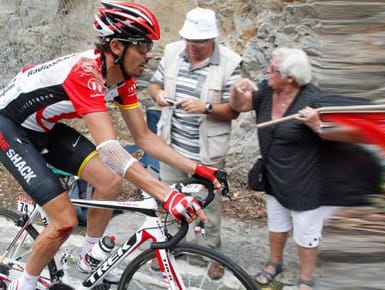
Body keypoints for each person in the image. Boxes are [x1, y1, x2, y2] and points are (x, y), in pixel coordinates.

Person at [0, 2, 222, 290]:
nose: (149, 53)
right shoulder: (85, 73)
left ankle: (89, 257)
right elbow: (110, 149)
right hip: (9, 126)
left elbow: (144, 137)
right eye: (143, 45)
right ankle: (24, 284)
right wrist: (167, 194)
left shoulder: (122, 79)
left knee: (110, 179)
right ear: (117, 46)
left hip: (43, 128)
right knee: (64, 221)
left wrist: (198, 168)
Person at [230, 48, 337, 290]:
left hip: (305, 179)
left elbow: (340, 138)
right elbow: (240, 106)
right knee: (277, 224)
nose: (267, 72)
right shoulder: (268, 90)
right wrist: (236, 91)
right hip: (273, 174)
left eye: (273, 70)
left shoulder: (315, 100)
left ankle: (306, 278)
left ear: (289, 77)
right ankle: (274, 263)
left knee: (306, 232)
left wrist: (317, 125)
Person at [149, 7, 242, 280]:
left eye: (199, 42)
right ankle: (171, 247)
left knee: (208, 205)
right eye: (190, 40)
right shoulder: (172, 52)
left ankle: (210, 253)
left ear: (212, 39)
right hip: (172, 146)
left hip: (206, 152)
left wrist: (206, 107)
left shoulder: (230, 62)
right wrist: (159, 95)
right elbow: (153, 85)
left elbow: (235, 111)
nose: (193, 46)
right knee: (169, 201)